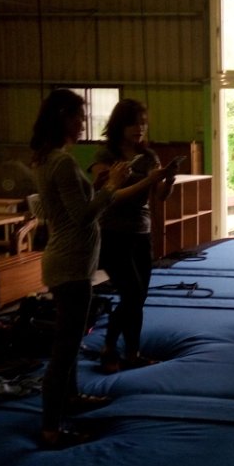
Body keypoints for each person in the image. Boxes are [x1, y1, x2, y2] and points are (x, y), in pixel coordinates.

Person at [29, 89, 133, 449]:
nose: (83, 122)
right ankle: (51, 428)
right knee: (64, 350)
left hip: (70, 261)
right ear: (62, 118)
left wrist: (100, 185)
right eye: (78, 116)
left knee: (70, 344)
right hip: (70, 264)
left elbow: (72, 203)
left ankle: (70, 398)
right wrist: (113, 187)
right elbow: (83, 216)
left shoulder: (48, 159)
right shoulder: (61, 162)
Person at [90, 99, 179, 374]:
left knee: (138, 297)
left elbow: (159, 196)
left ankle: (132, 352)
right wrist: (150, 180)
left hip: (141, 232)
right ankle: (108, 348)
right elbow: (111, 196)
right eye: (134, 123)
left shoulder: (149, 155)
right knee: (131, 294)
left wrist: (168, 180)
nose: (140, 128)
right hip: (113, 233)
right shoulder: (106, 156)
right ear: (120, 125)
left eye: (143, 123)